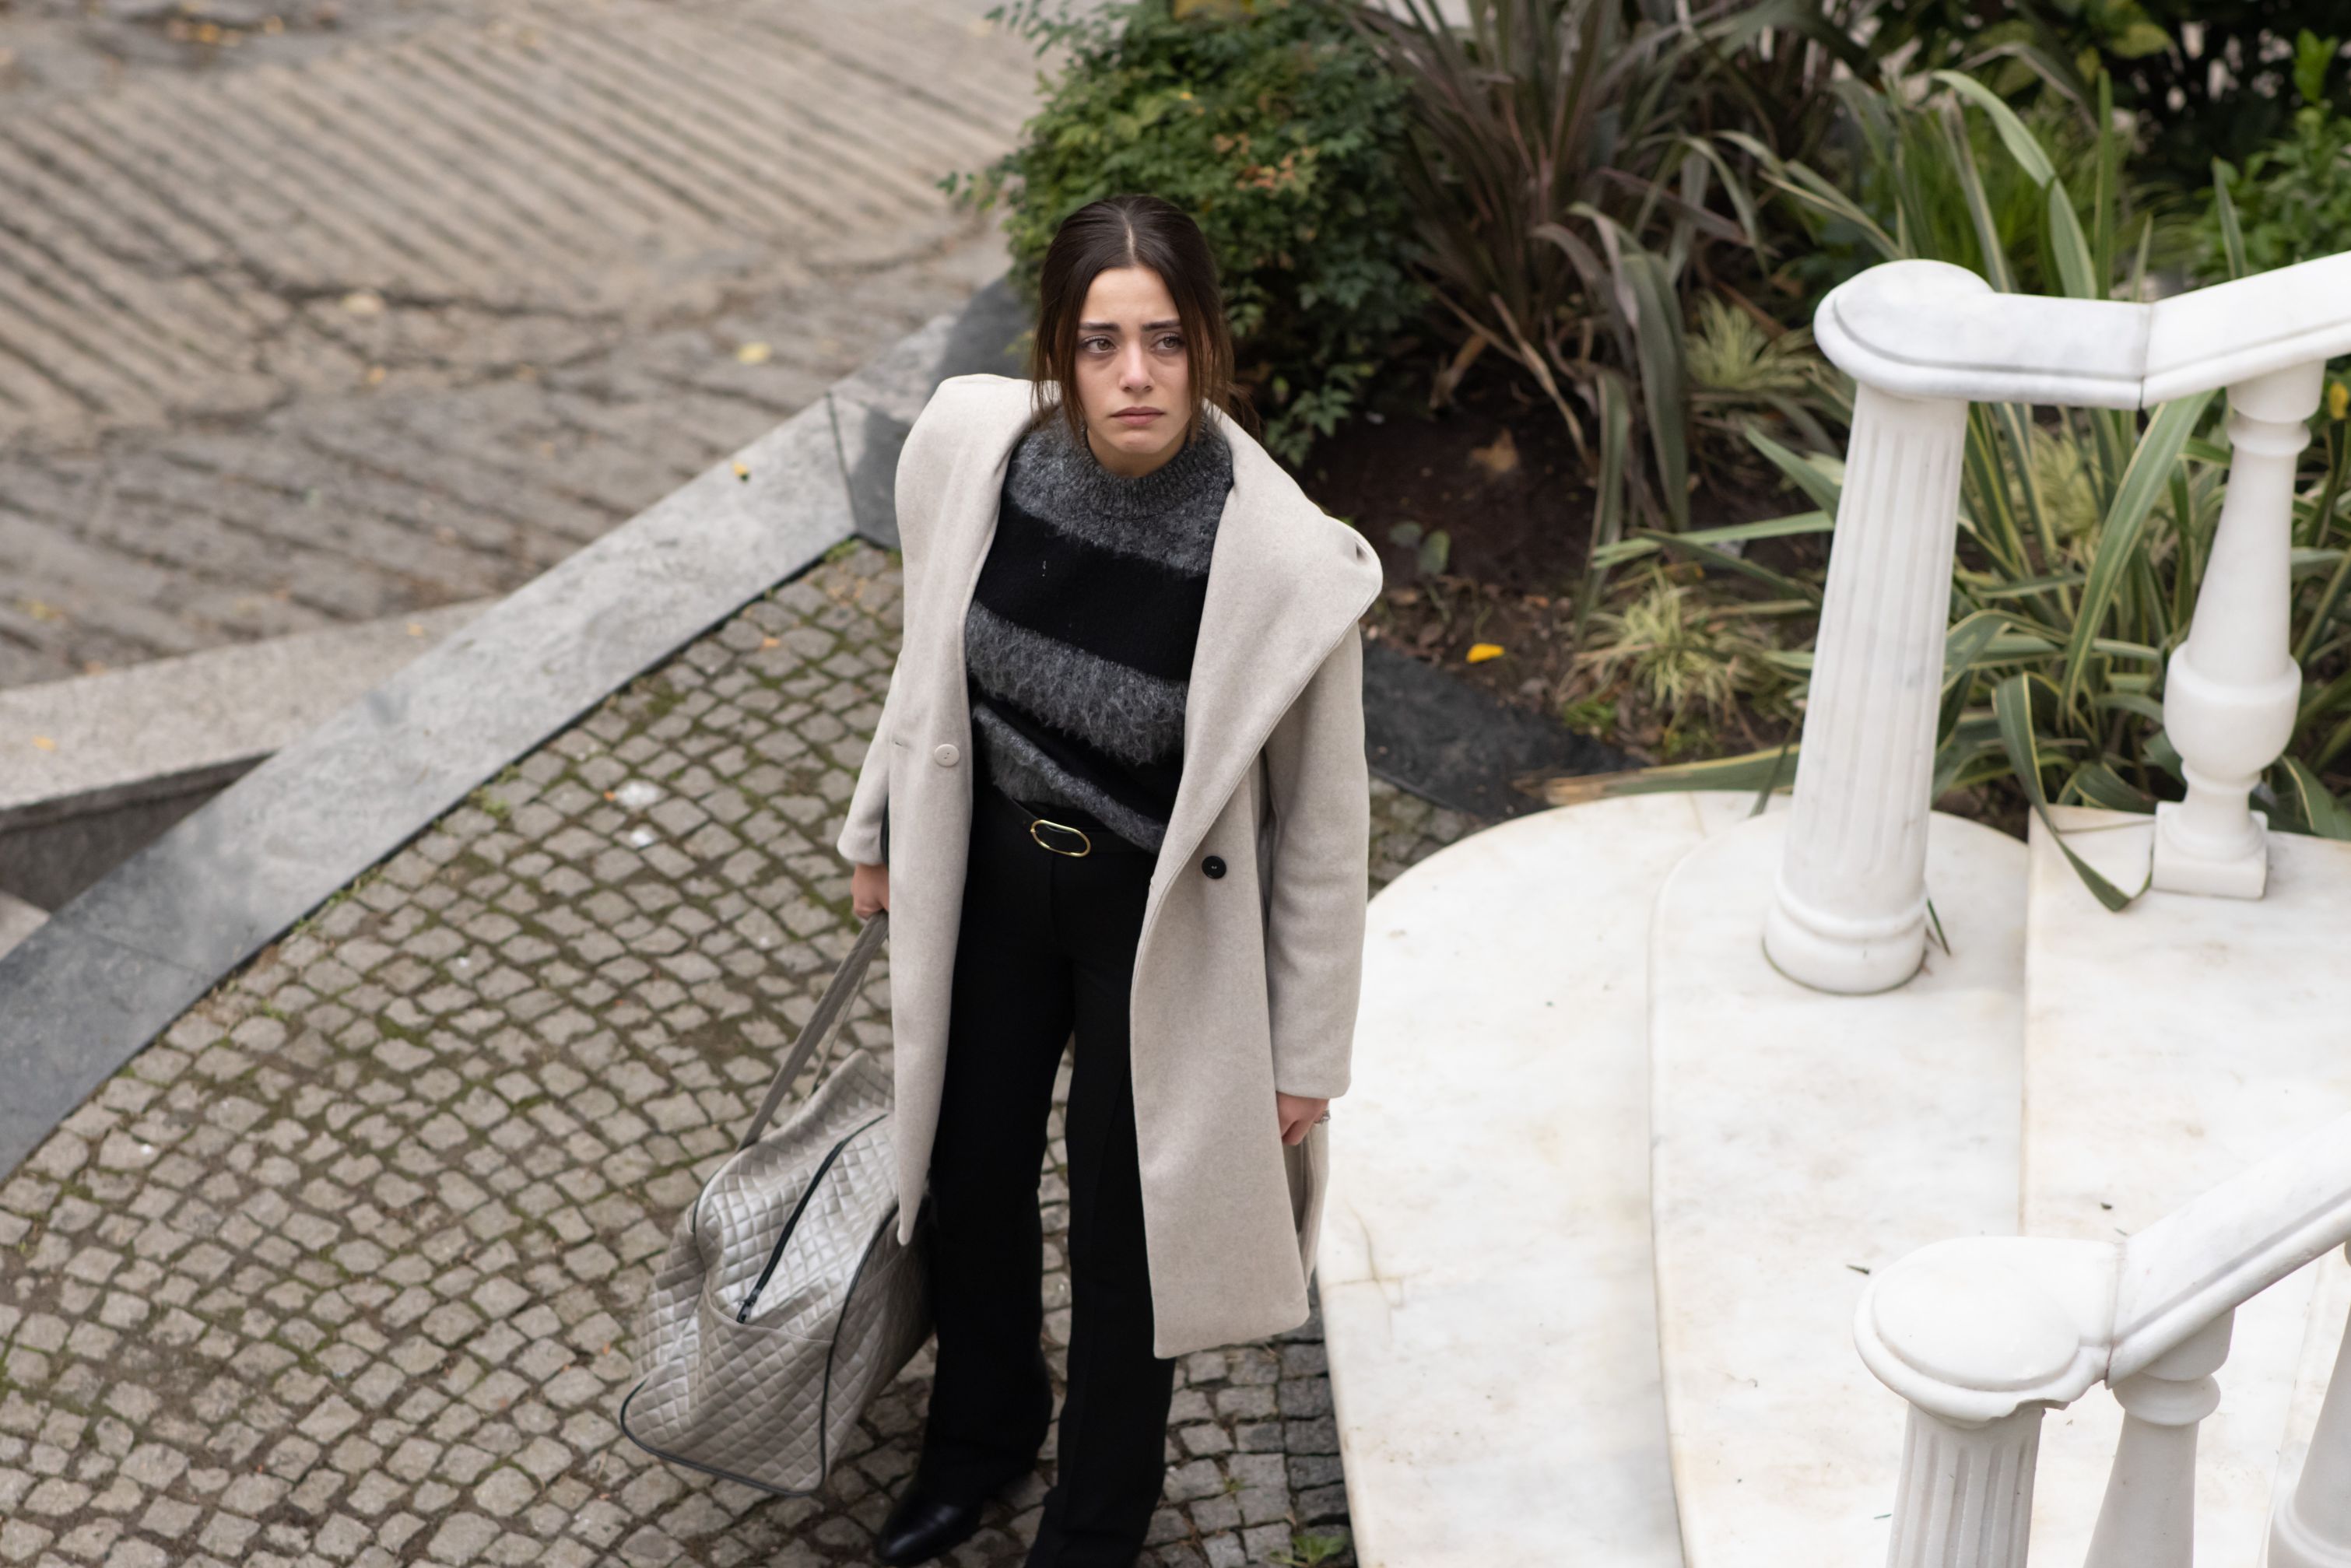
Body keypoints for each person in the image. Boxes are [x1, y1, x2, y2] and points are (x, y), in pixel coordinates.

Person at [833, 192, 1383, 1568]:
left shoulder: (1285, 562)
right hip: (995, 880)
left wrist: (1303, 1056)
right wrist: (879, 827)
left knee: (1131, 1232)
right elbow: (926, 661)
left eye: (1164, 341)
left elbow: (1324, 831)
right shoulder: (975, 450)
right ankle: (978, 1438)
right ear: (1056, 353)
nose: (1135, 375)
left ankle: (1095, 1521)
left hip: (1158, 930)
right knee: (965, 1175)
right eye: (1099, 344)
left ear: (1207, 348)